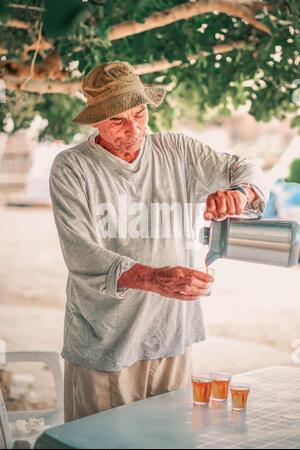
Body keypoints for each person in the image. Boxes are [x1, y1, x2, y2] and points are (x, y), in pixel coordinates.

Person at [49, 61, 269, 422]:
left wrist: (240, 194)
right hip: (105, 345)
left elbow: (248, 169)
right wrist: (152, 278)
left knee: (169, 447)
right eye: (118, 120)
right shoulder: (73, 167)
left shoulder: (177, 150)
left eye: (139, 113)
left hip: (172, 340)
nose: (133, 129)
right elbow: (80, 253)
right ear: (95, 121)